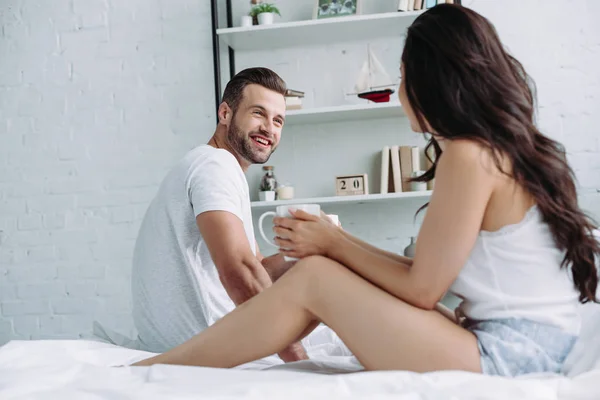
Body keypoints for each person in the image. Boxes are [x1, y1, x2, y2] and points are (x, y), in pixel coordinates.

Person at [132, 4, 600, 376]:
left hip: (511, 354)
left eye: (402, 78)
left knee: (315, 278)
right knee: (317, 269)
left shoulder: (468, 154)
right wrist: (333, 244)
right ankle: (166, 365)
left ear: (431, 80)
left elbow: (421, 289)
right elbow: (425, 276)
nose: (399, 92)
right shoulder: (494, 149)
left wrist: (333, 245)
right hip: (527, 343)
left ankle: (156, 370)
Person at [131, 67, 324, 362]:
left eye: (278, 120)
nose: (269, 129)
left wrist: (316, 251)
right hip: (202, 345)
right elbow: (240, 272)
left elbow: (257, 268)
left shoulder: (217, 167)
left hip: (189, 340)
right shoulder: (214, 166)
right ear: (225, 113)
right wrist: (297, 358)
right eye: (258, 113)